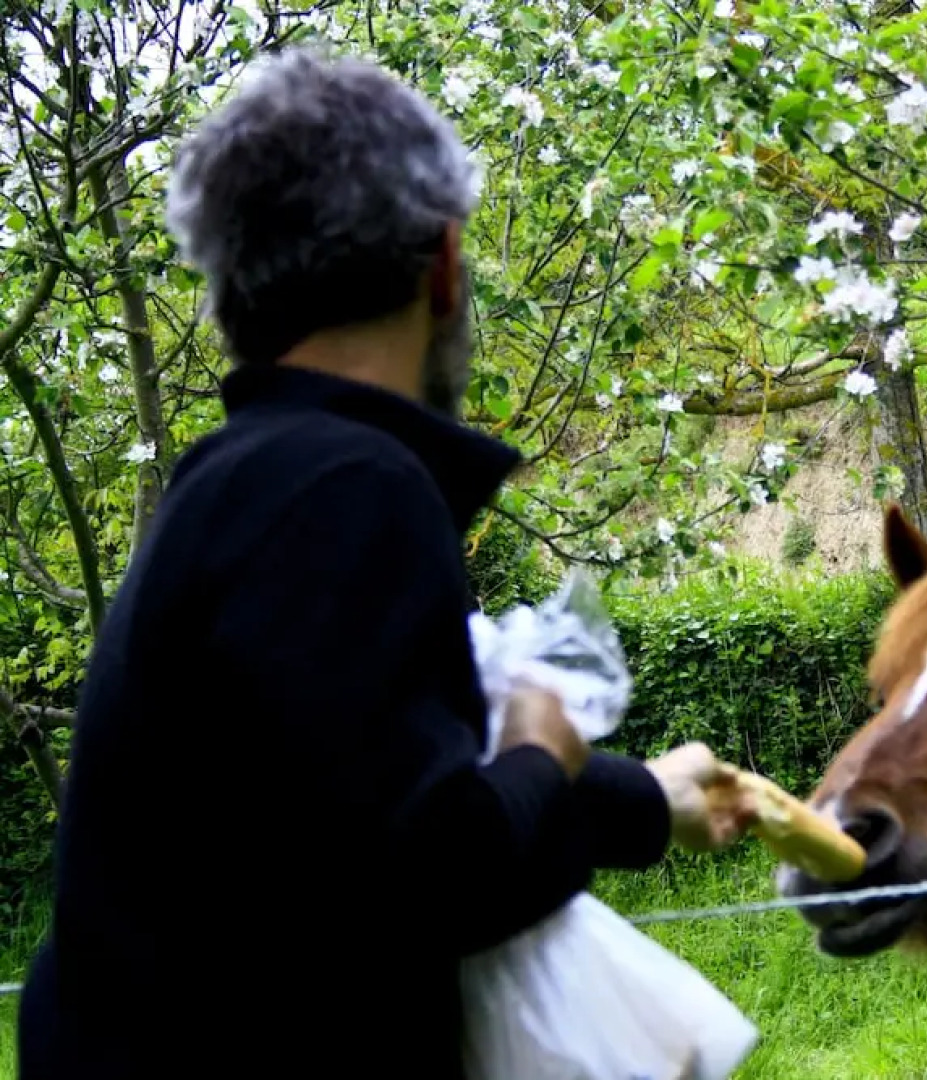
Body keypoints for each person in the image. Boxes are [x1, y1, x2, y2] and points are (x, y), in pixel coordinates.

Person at [18, 45, 755, 1080]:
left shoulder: (239, 486)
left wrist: (648, 801)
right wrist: (542, 753)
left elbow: (343, 802)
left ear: (229, 299)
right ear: (443, 263)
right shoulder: (345, 487)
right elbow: (427, 872)